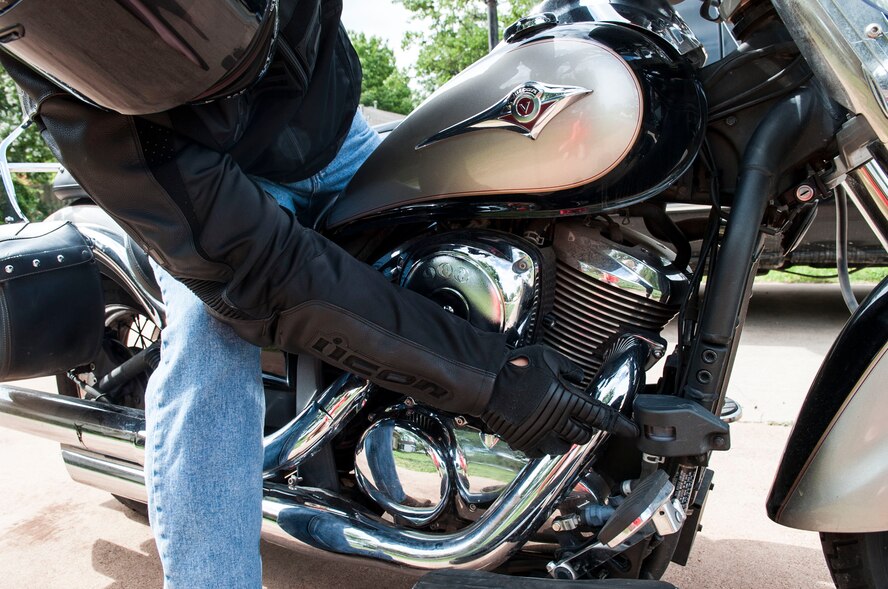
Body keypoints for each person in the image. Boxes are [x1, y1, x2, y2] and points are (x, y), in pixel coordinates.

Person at [0, 1, 638, 586]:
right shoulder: (62, 72)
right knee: (210, 339)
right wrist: (487, 380)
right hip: (204, 180)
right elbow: (262, 272)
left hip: (335, 135)